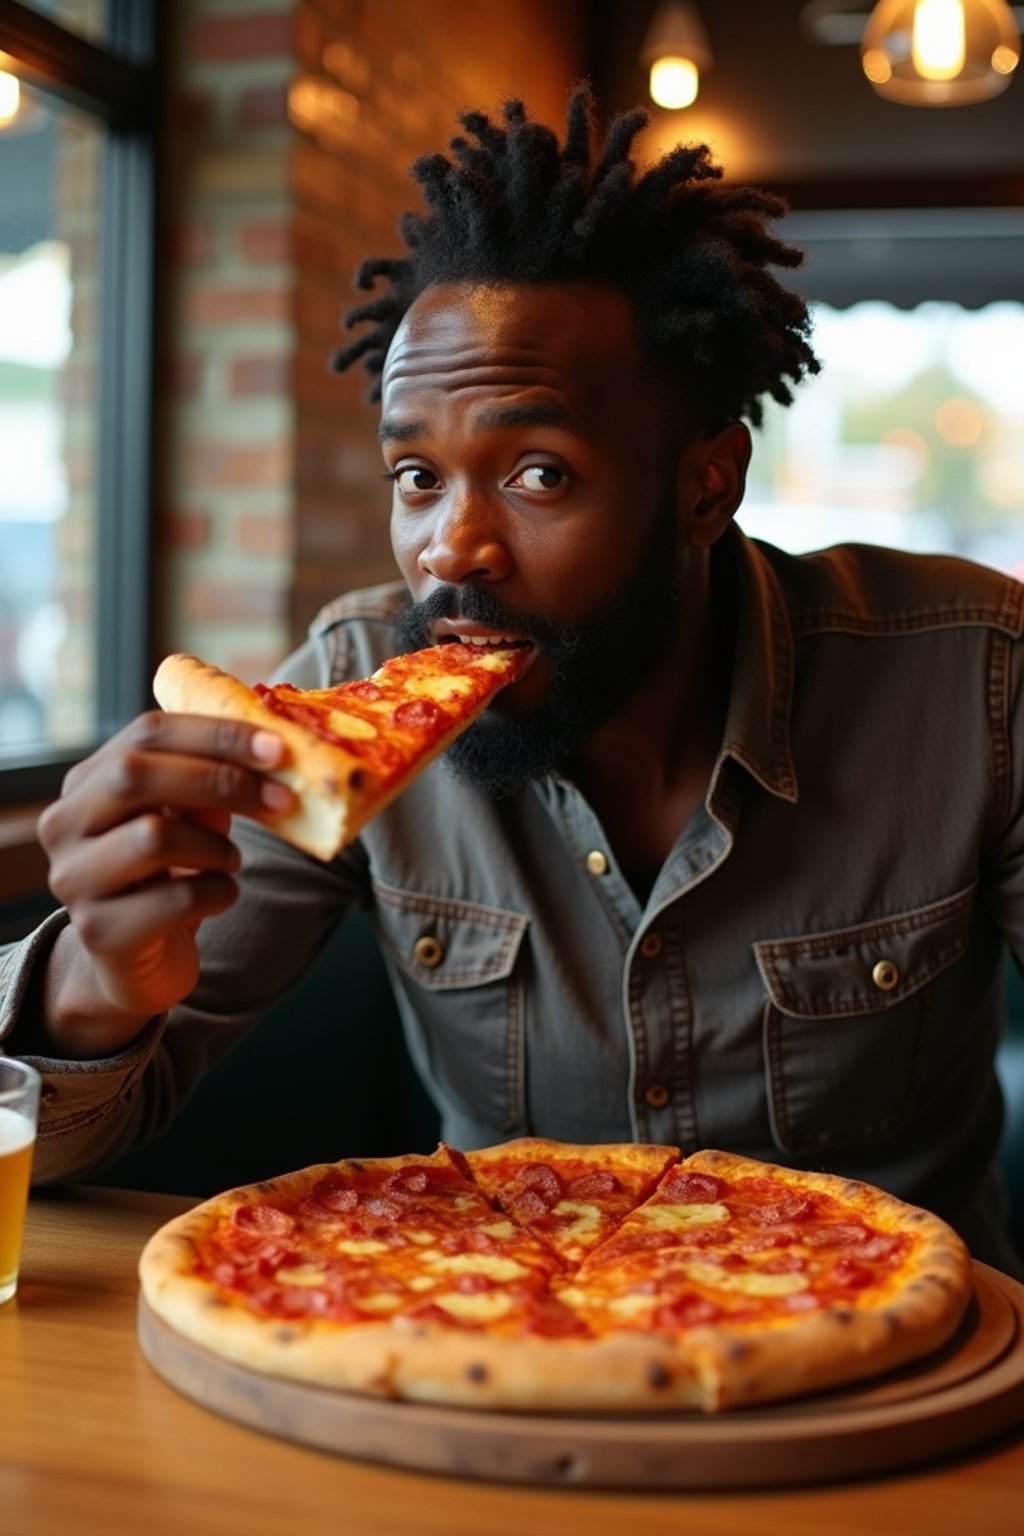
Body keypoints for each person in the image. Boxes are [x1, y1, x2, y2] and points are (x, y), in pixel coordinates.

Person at [1, 86, 1021, 1276]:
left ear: (705, 485)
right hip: (495, 1344)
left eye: (537, 474)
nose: (449, 550)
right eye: (417, 477)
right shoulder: (347, 690)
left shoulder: (975, 678)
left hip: (896, 1373)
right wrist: (96, 980)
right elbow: (55, 1155)